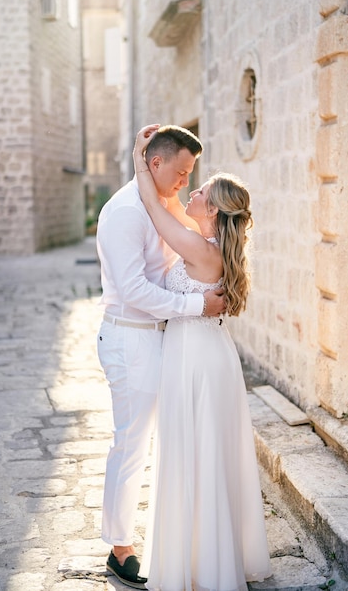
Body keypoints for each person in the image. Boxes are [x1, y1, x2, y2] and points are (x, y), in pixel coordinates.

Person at [133, 125, 272, 591]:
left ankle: (204, 569)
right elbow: (171, 204)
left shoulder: (198, 248)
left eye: (202, 189)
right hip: (203, 353)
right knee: (204, 453)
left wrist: (139, 157)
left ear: (211, 210)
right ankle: (203, 559)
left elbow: (156, 209)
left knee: (200, 455)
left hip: (196, 359)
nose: (192, 189)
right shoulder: (205, 243)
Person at [96, 124, 226, 589]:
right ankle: (119, 548)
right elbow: (133, 289)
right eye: (181, 171)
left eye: (192, 174)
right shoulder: (124, 214)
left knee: (156, 444)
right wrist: (197, 305)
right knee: (131, 444)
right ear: (156, 163)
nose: (185, 183)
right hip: (131, 339)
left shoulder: (164, 203)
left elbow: (209, 240)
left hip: (163, 339)